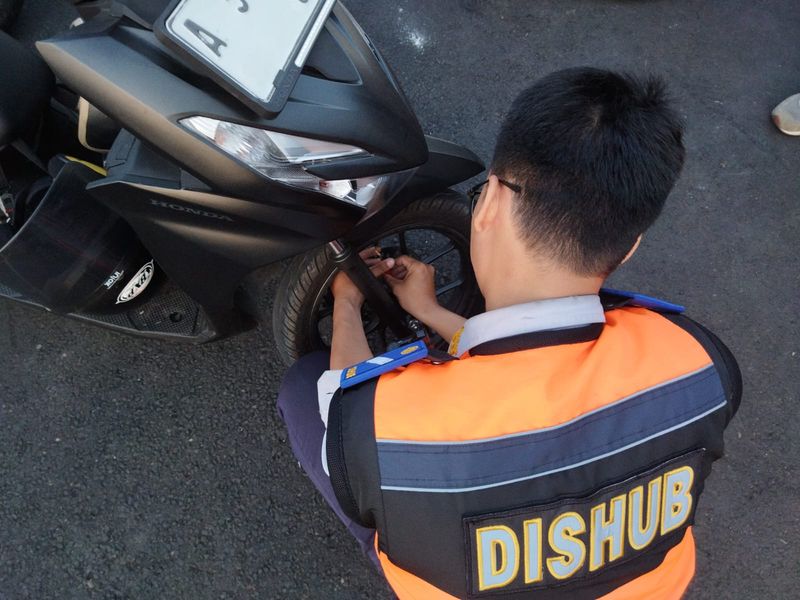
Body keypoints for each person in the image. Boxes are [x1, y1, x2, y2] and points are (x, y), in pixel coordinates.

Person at [277, 67, 742, 599]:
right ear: (632, 244)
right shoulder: (697, 359)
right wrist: (430, 312)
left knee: (302, 387)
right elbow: (539, 376)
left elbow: (343, 399)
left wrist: (347, 302)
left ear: (492, 202)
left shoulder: (385, 427)